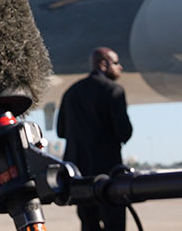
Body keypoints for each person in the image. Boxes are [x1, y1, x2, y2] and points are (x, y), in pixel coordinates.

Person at [56, 47, 133, 231]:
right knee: (115, 223)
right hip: (108, 173)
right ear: (103, 64)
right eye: (116, 63)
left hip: (79, 174)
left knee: (88, 223)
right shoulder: (113, 90)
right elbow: (124, 132)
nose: (120, 67)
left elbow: (61, 131)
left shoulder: (71, 92)